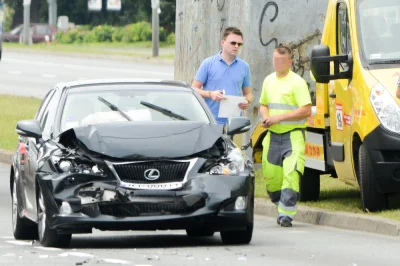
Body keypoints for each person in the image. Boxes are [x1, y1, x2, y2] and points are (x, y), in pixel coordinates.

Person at [259, 45, 312, 227]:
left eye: (281, 61)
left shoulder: (297, 82)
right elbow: (263, 104)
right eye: (275, 60)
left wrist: (278, 118)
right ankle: (279, 204)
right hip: (272, 136)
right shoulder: (268, 81)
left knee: (291, 174)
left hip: (293, 136)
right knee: (272, 178)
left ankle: (286, 215)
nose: (277, 64)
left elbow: (305, 110)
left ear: (290, 62)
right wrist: (266, 117)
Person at [191, 26, 253, 125]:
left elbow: (248, 94)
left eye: (239, 44)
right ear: (223, 42)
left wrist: (247, 101)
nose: (236, 46)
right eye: (233, 43)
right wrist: (211, 94)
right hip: (211, 121)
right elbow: (193, 89)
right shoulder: (208, 63)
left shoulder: (244, 67)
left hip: (234, 123)